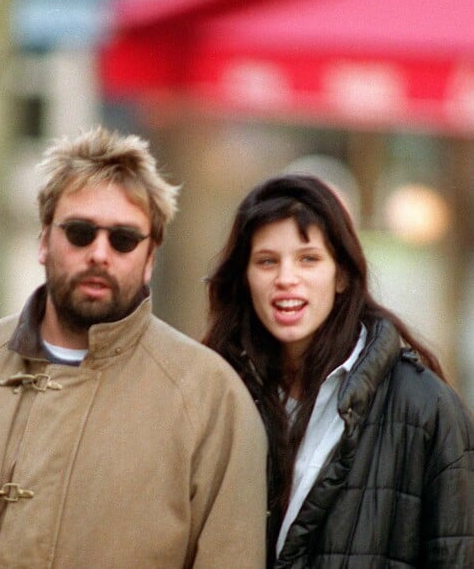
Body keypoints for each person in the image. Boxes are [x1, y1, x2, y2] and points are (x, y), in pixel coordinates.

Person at [0, 126, 268, 569]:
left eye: (124, 239)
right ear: (43, 240)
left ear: (149, 259)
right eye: (79, 232)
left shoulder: (210, 401)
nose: (100, 253)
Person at [203, 174, 474, 568]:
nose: (285, 279)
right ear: (245, 279)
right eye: (266, 261)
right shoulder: (218, 393)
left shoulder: (426, 408)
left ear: (342, 275)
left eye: (308, 259)